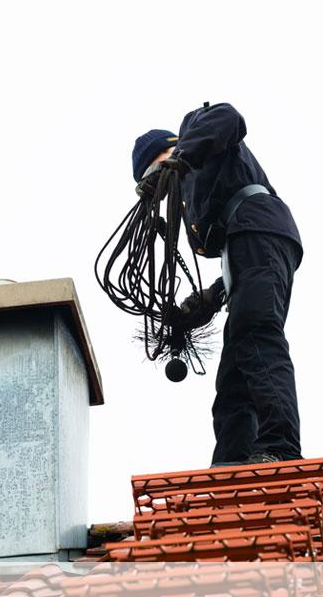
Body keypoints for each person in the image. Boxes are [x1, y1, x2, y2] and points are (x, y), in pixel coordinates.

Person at [132, 103, 303, 466]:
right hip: (247, 247)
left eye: (154, 171)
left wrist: (181, 158)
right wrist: (211, 298)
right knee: (232, 378)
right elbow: (241, 254)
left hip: (259, 228)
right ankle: (231, 465)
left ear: (166, 152)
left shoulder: (196, 133)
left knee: (256, 335)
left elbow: (229, 116)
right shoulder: (195, 196)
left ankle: (280, 447)